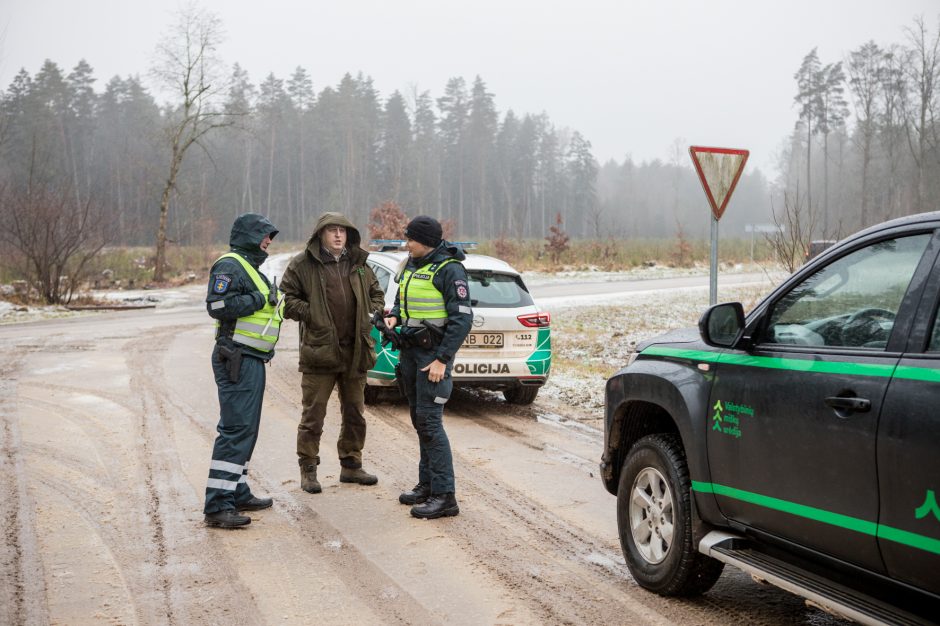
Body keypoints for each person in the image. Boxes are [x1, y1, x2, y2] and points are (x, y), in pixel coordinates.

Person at [280, 212, 386, 493]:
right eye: (332, 231)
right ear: (321, 235)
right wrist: (311, 312)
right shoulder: (303, 264)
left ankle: (351, 465)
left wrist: (370, 311)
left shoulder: (359, 264)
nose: (339, 235)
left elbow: (378, 294)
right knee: (313, 414)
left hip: (355, 352)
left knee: (355, 412)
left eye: (343, 230)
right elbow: (287, 300)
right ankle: (309, 469)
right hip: (320, 352)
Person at [384, 216, 472, 519]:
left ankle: (445, 496)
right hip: (410, 353)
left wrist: (442, 360)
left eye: (411, 239)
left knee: (431, 424)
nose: (406, 244)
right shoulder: (411, 264)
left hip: (433, 357)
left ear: (427, 241)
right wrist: (395, 316)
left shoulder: (451, 270)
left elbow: (462, 320)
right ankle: (427, 485)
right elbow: (401, 300)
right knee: (420, 421)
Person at [203, 213, 283, 528]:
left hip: (251, 358)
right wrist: (260, 297)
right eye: (265, 235)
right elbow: (218, 306)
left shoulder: (249, 266)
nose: (269, 241)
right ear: (249, 235)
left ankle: (237, 490)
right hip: (235, 357)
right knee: (235, 430)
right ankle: (218, 505)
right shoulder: (229, 265)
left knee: (247, 430)